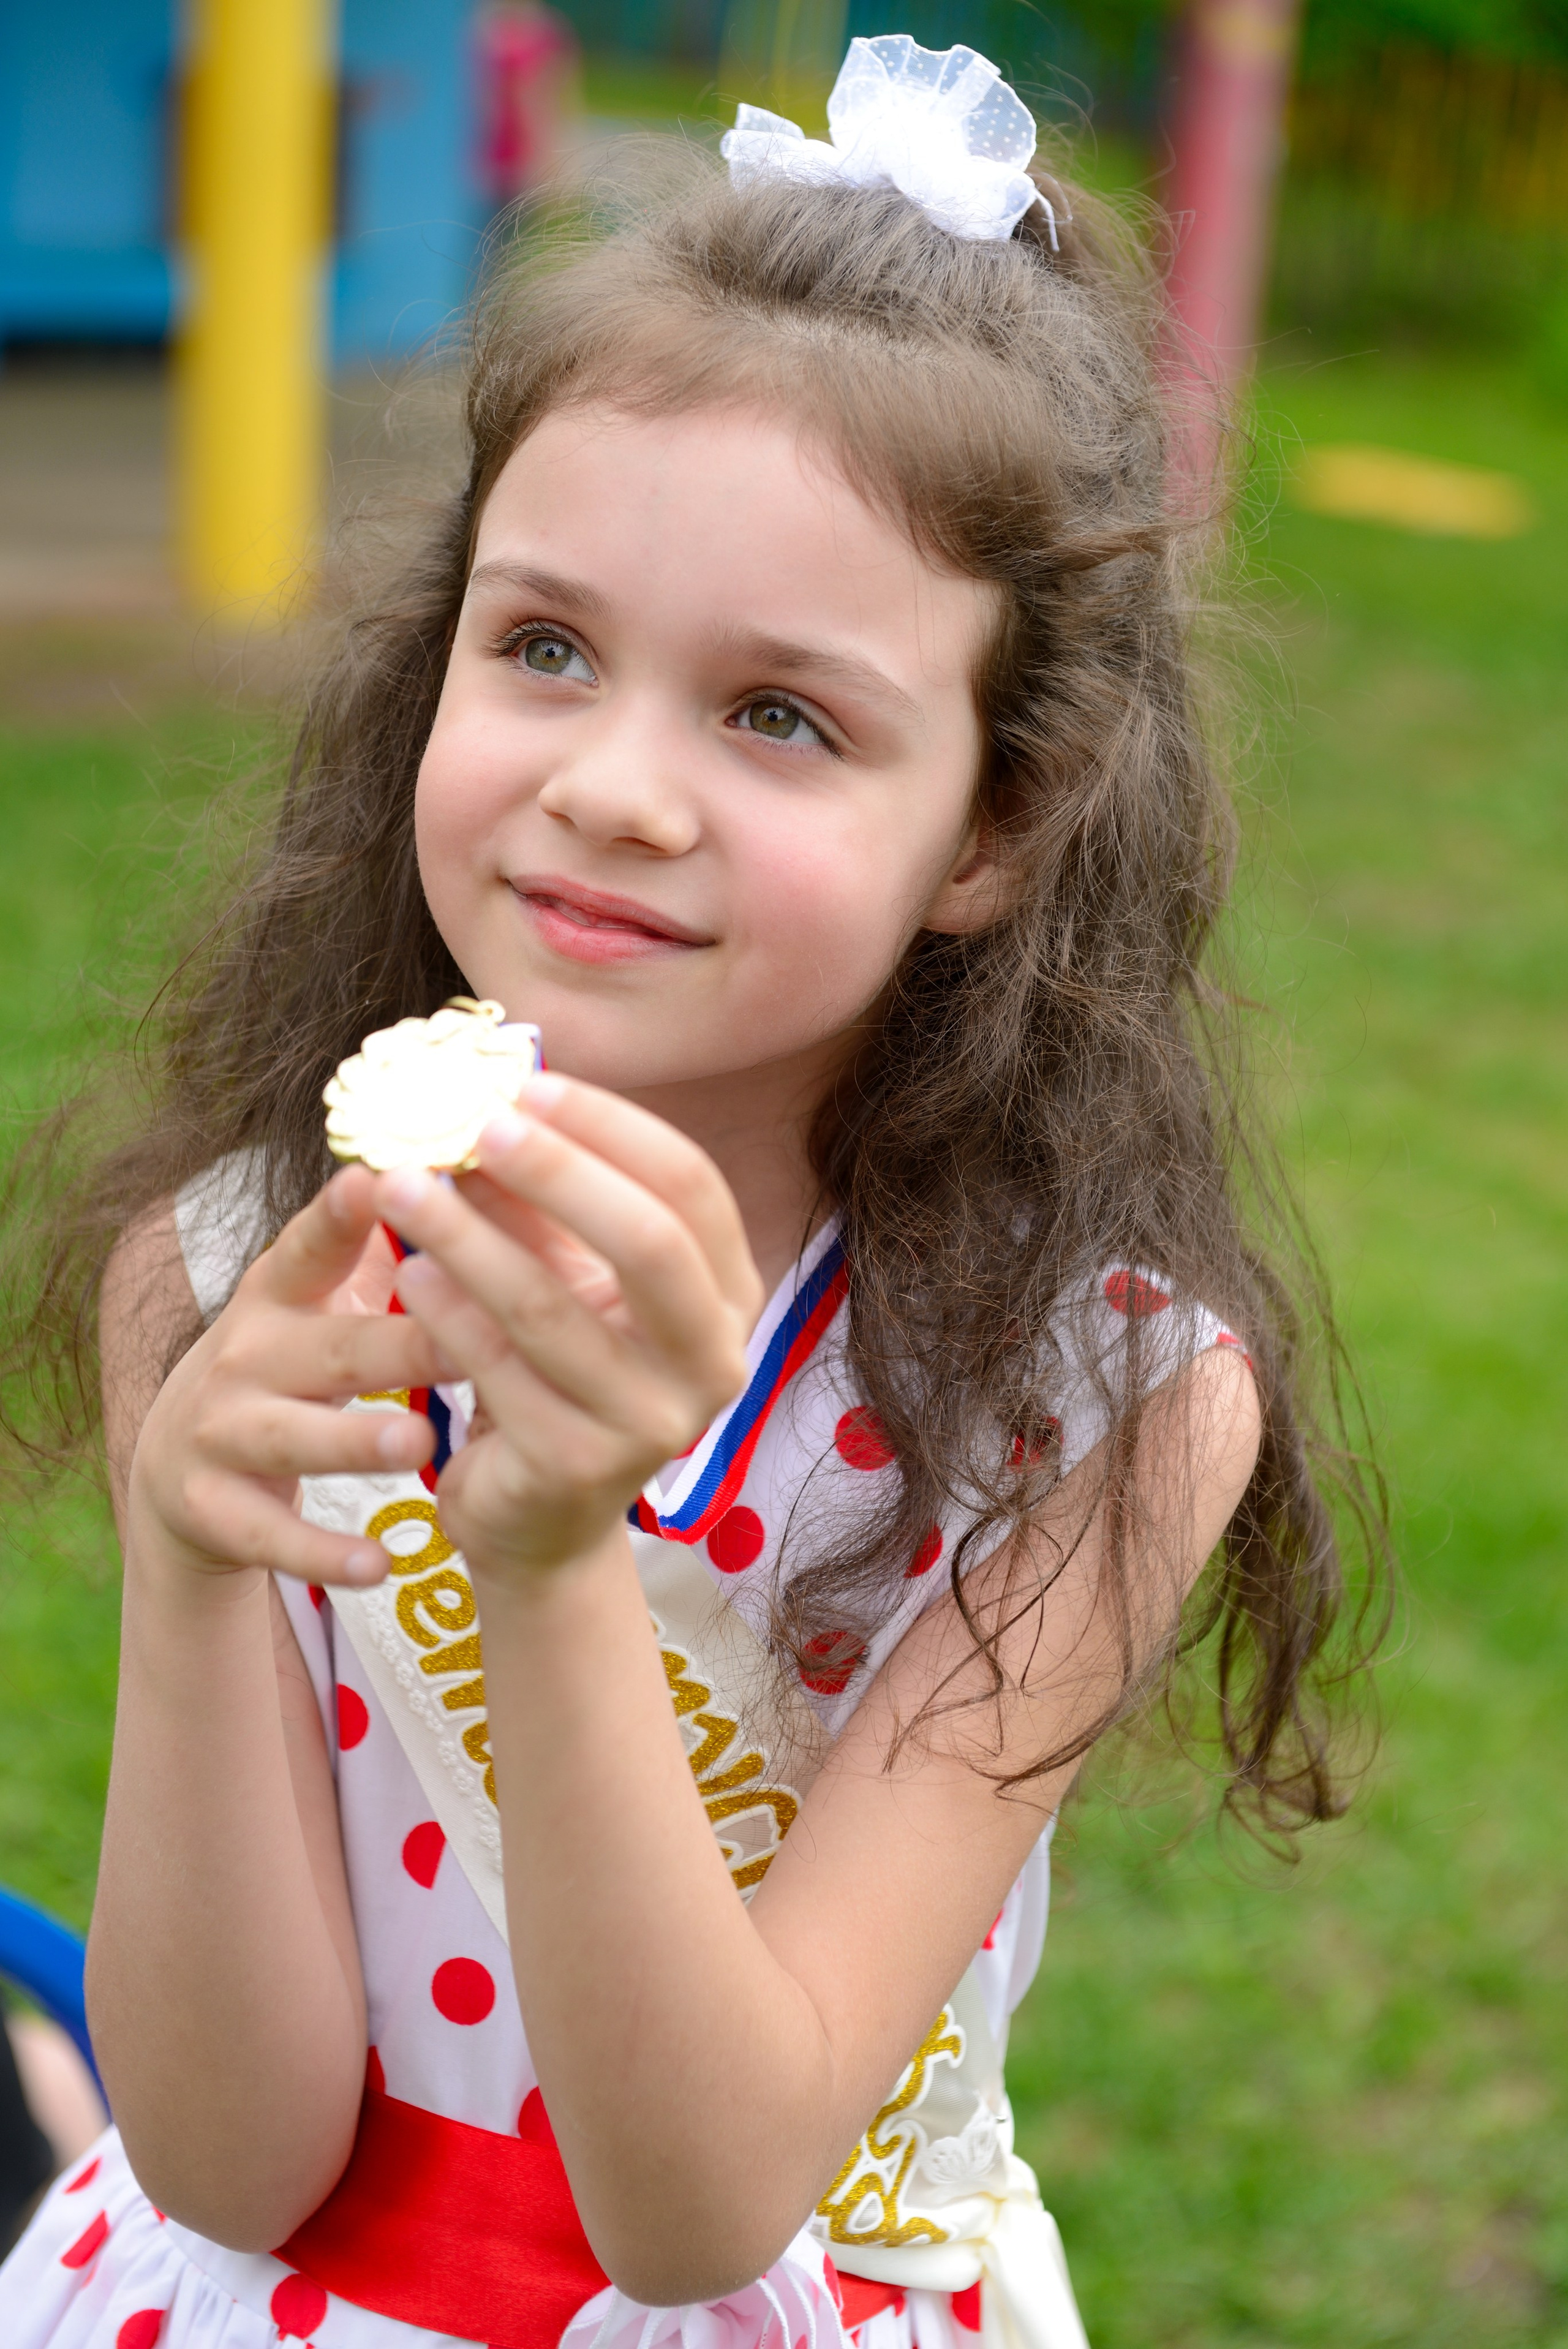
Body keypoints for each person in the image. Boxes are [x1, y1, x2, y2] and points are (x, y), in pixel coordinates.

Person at [0, 36, 1382, 2348]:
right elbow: (236, 2158)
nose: (615, 790)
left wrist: (543, 1558)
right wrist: (190, 1546)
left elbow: (699, 2200)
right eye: (543, 647)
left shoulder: (1106, 1409)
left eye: (779, 715)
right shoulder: (235, 1276)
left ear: (994, 832)